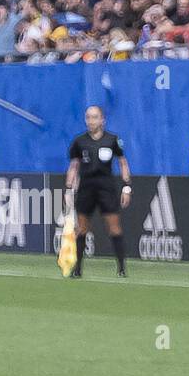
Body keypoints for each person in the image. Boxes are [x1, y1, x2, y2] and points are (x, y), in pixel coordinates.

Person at [66, 106, 132, 278]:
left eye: (94, 117)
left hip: (106, 187)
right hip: (86, 187)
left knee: (114, 227)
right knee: (82, 228)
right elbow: (74, 166)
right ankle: (78, 268)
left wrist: (126, 187)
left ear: (102, 120)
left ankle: (121, 268)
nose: (91, 121)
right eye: (88, 117)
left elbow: (123, 163)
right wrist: (68, 188)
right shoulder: (79, 141)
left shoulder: (112, 140)